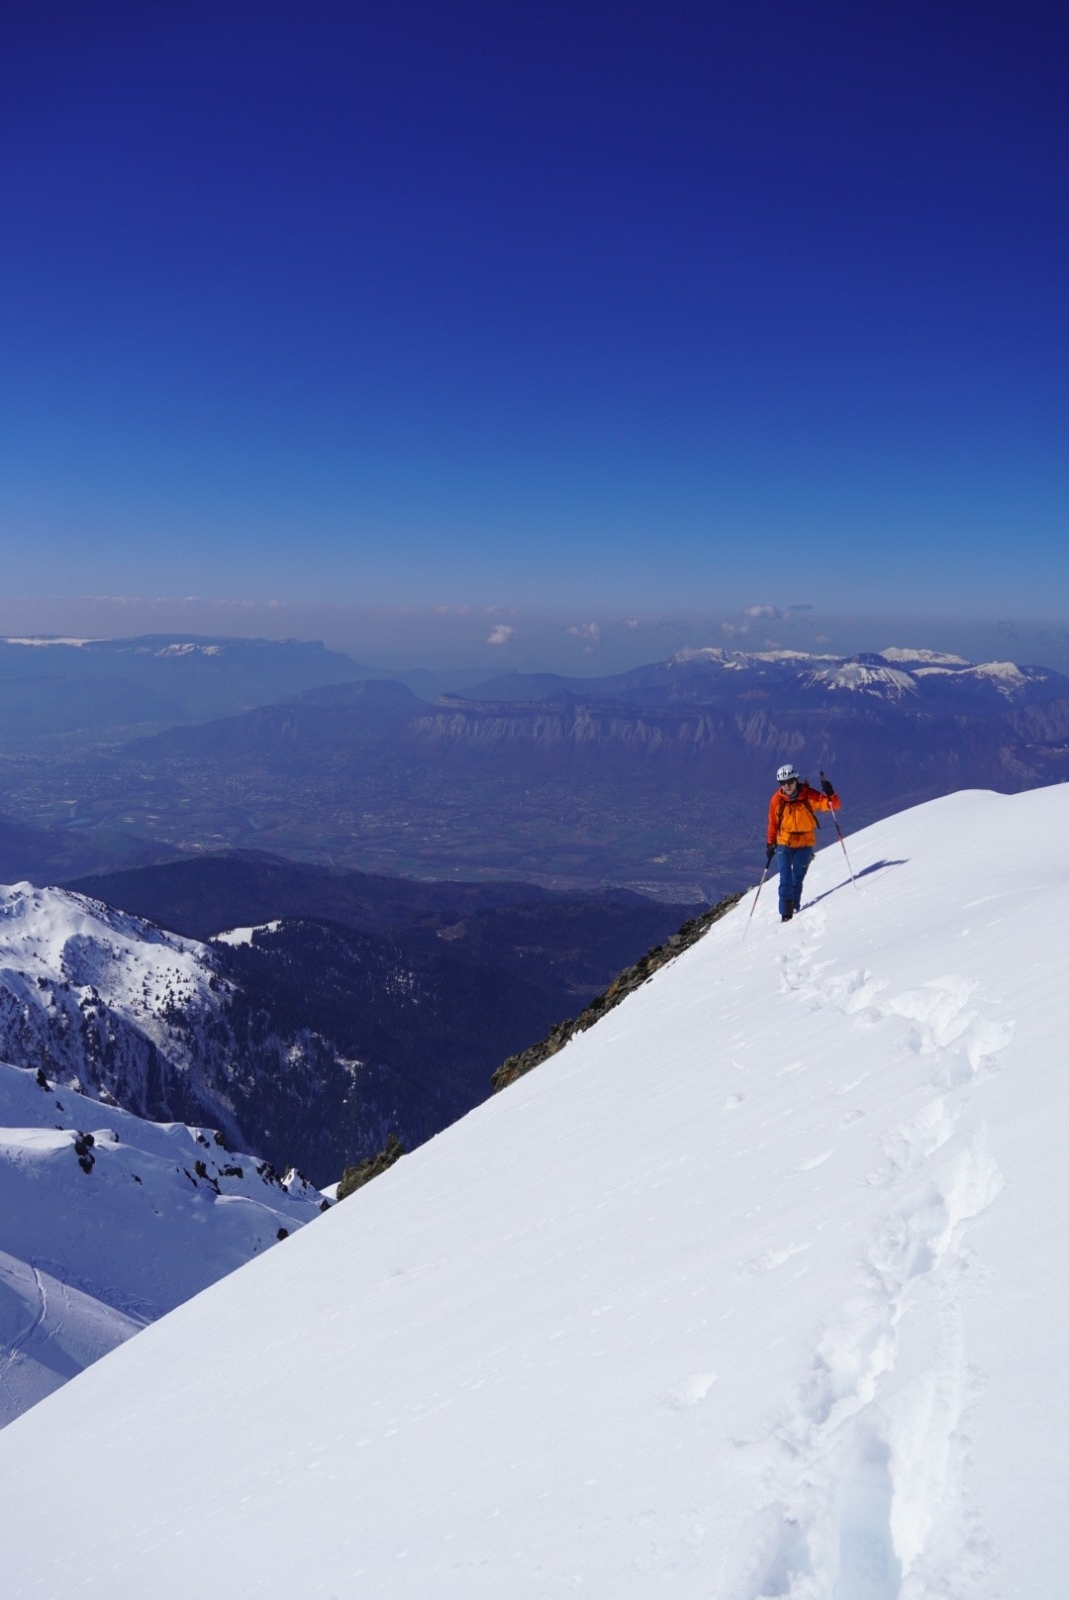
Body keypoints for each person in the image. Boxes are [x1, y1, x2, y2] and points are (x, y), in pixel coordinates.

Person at [765, 763, 841, 922]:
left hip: (805, 843)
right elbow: (773, 822)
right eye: (783, 783)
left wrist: (830, 793)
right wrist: (770, 842)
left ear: (796, 780)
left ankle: (795, 907)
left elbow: (832, 806)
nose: (787, 786)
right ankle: (786, 914)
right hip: (784, 841)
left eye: (790, 781)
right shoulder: (777, 800)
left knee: (797, 878)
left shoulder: (809, 795)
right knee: (785, 877)